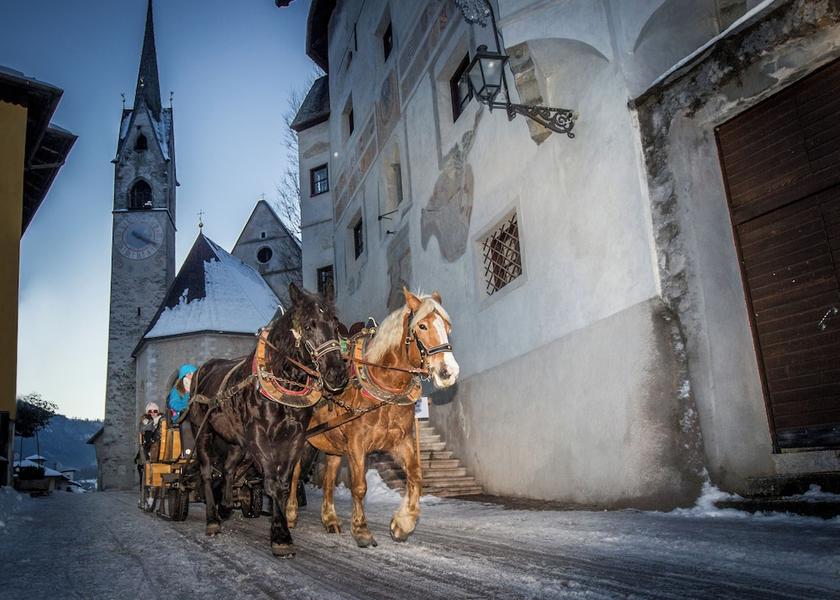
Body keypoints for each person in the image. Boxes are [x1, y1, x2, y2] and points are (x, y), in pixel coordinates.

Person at [168, 364, 197, 457]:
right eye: (190, 373)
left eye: (194, 373)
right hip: (181, 416)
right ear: (185, 375)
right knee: (187, 423)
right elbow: (173, 403)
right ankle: (188, 452)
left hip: (195, 413)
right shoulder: (177, 389)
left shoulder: (197, 388)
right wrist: (185, 407)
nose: (193, 375)